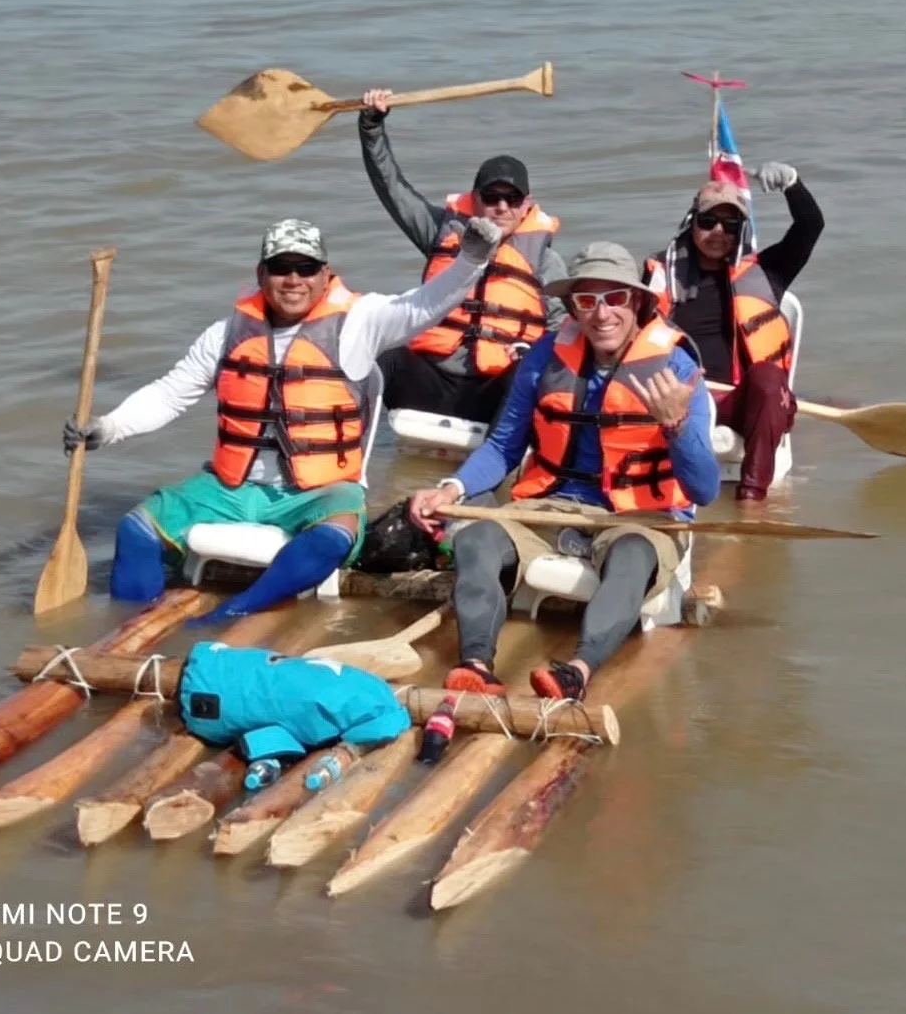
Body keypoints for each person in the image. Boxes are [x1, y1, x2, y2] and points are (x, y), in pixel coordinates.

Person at [63, 215, 500, 618]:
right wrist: (107, 428)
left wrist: (471, 259)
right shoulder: (227, 334)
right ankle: (129, 626)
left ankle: (231, 613)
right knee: (137, 529)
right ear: (261, 275)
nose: (294, 279)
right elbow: (170, 394)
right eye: (281, 267)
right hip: (231, 488)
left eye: (306, 268)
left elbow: (422, 305)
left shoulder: (360, 323)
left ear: (325, 274)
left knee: (334, 537)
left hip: (320, 492)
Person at [408, 243, 719, 703]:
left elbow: (705, 489)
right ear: (572, 306)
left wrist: (675, 427)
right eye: (586, 301)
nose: (601, 314)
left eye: (615, 298)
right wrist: (450, 488)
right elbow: (502, 446)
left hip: (639, 516)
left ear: (637, 303)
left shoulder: (675, 369)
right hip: (547, 507)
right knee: (475, 537)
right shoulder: (544, 357)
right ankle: (475, 664)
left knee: (632, 556)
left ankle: (577, 670)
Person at [358, 87, 565, 425]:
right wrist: (371, 127)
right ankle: (348, 459)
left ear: (526, 204)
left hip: (494, 392)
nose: (501, 207)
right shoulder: (441, 230)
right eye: (492, 196)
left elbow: (562, 329)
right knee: (384, 357)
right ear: (475, 199)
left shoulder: (545, 261)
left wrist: (532, 354)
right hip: (430, 383)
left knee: (531, 374)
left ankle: (495, 464)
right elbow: (391, 187)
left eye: (512, 199)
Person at [643, 162, 824, 502]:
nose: (718, 232)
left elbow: (811, 226)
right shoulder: (657, 272)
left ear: (742, 228)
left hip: (741, 402)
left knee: (769, 380)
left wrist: (793, 184)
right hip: (680, 395)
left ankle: (752, 500)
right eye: (708, 221)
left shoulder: (768, 270)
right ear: (691, 222)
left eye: (730, 224)